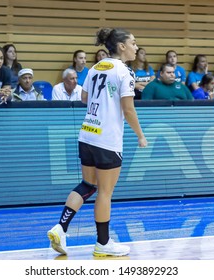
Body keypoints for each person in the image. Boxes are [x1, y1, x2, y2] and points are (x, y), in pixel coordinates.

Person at [47, 27, 147, 257]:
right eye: (133, 42)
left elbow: (84, 98)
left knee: (88, 185)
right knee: (105, 192)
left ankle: (60, 228)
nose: (136, 46)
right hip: (107, 139)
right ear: (121, 46)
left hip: (87, 134)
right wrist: (140, 135)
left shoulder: (95, 68)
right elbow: (128, 109)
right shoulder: (125, 72)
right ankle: (103, 244)